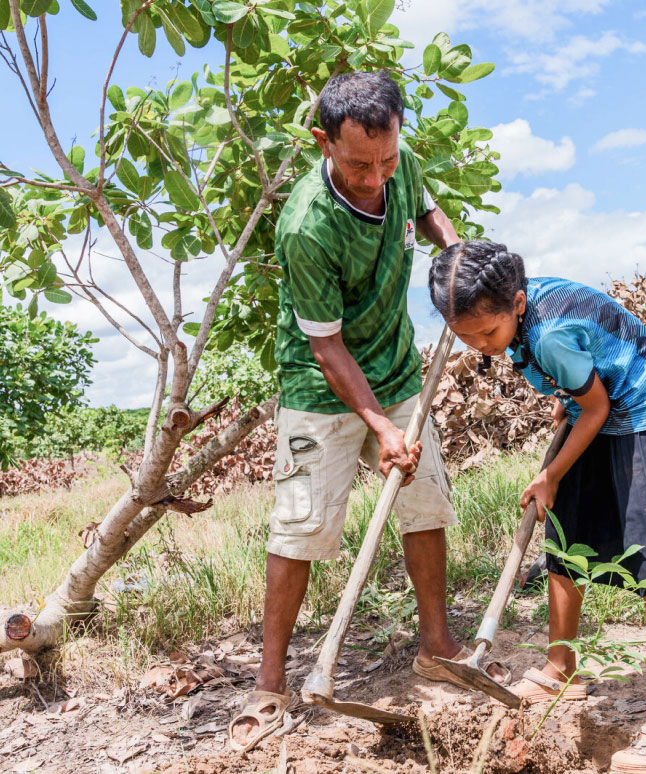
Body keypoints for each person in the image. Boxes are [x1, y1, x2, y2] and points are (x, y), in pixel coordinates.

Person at [230, 71, 486, 753]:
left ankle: (436, 645)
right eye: (357, 164)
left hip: (399, 369)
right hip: (323, 388)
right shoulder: (307, 226)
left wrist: (456, 258)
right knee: (301, 527)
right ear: (323, 142)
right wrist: (378, 427)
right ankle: (270, 683)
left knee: (424, 499)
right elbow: (325, 345)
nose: (376, 177)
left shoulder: (399, 163)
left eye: (387, 159)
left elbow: (427, 209)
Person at [428, 240, 646, 774]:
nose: (482, 346)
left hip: (638, 414)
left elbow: (598, 403)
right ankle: (562, 668)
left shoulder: (550, 333)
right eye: (465, 337)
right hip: (594, 409)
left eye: (488, 334)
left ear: (516, 302)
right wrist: (569, 391)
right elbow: (584, 378)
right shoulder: (522, 314)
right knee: (565, 541)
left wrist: (549, 474)